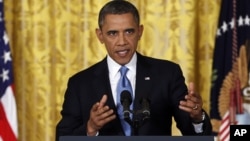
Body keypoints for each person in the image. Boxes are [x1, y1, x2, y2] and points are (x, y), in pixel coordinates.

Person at [55, 0, 212, 140]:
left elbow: (194, 134)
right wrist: (91, 128)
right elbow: (63, 136)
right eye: (113, 33)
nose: (122, 41)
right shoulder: (80, 83)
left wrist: (197, 117)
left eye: (129, 31)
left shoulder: (167, 73)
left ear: (140, 31)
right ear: (100, 35)